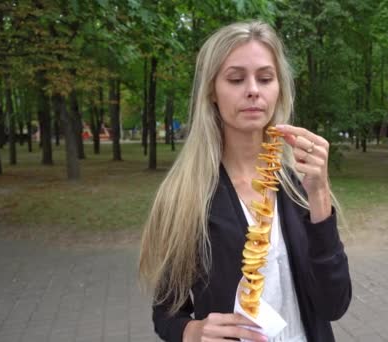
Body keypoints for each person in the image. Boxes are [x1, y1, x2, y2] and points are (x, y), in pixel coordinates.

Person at [139, 21, 351, 342]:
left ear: (279, 89)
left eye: (265, 78)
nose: (253, 89)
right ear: (212, 90)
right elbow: (167, 312)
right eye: (236, 79)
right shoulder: (186, 196)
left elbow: (334, 304)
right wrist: (193, 332)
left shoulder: (299, 186)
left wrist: (320, 194)